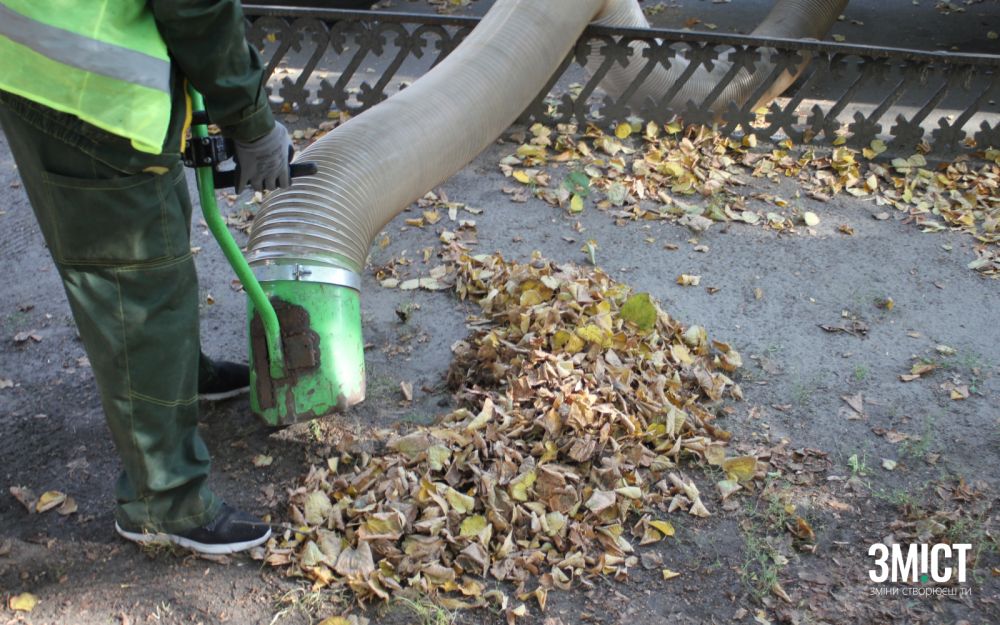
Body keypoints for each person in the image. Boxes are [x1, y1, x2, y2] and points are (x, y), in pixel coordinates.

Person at [0, 0, 292, 555]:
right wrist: (252, 122)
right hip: (91, 89)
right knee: (137, 287)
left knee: (154, 234)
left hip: (34, 58)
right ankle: (163, 501)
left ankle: (175, 378)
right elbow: (196, 7)